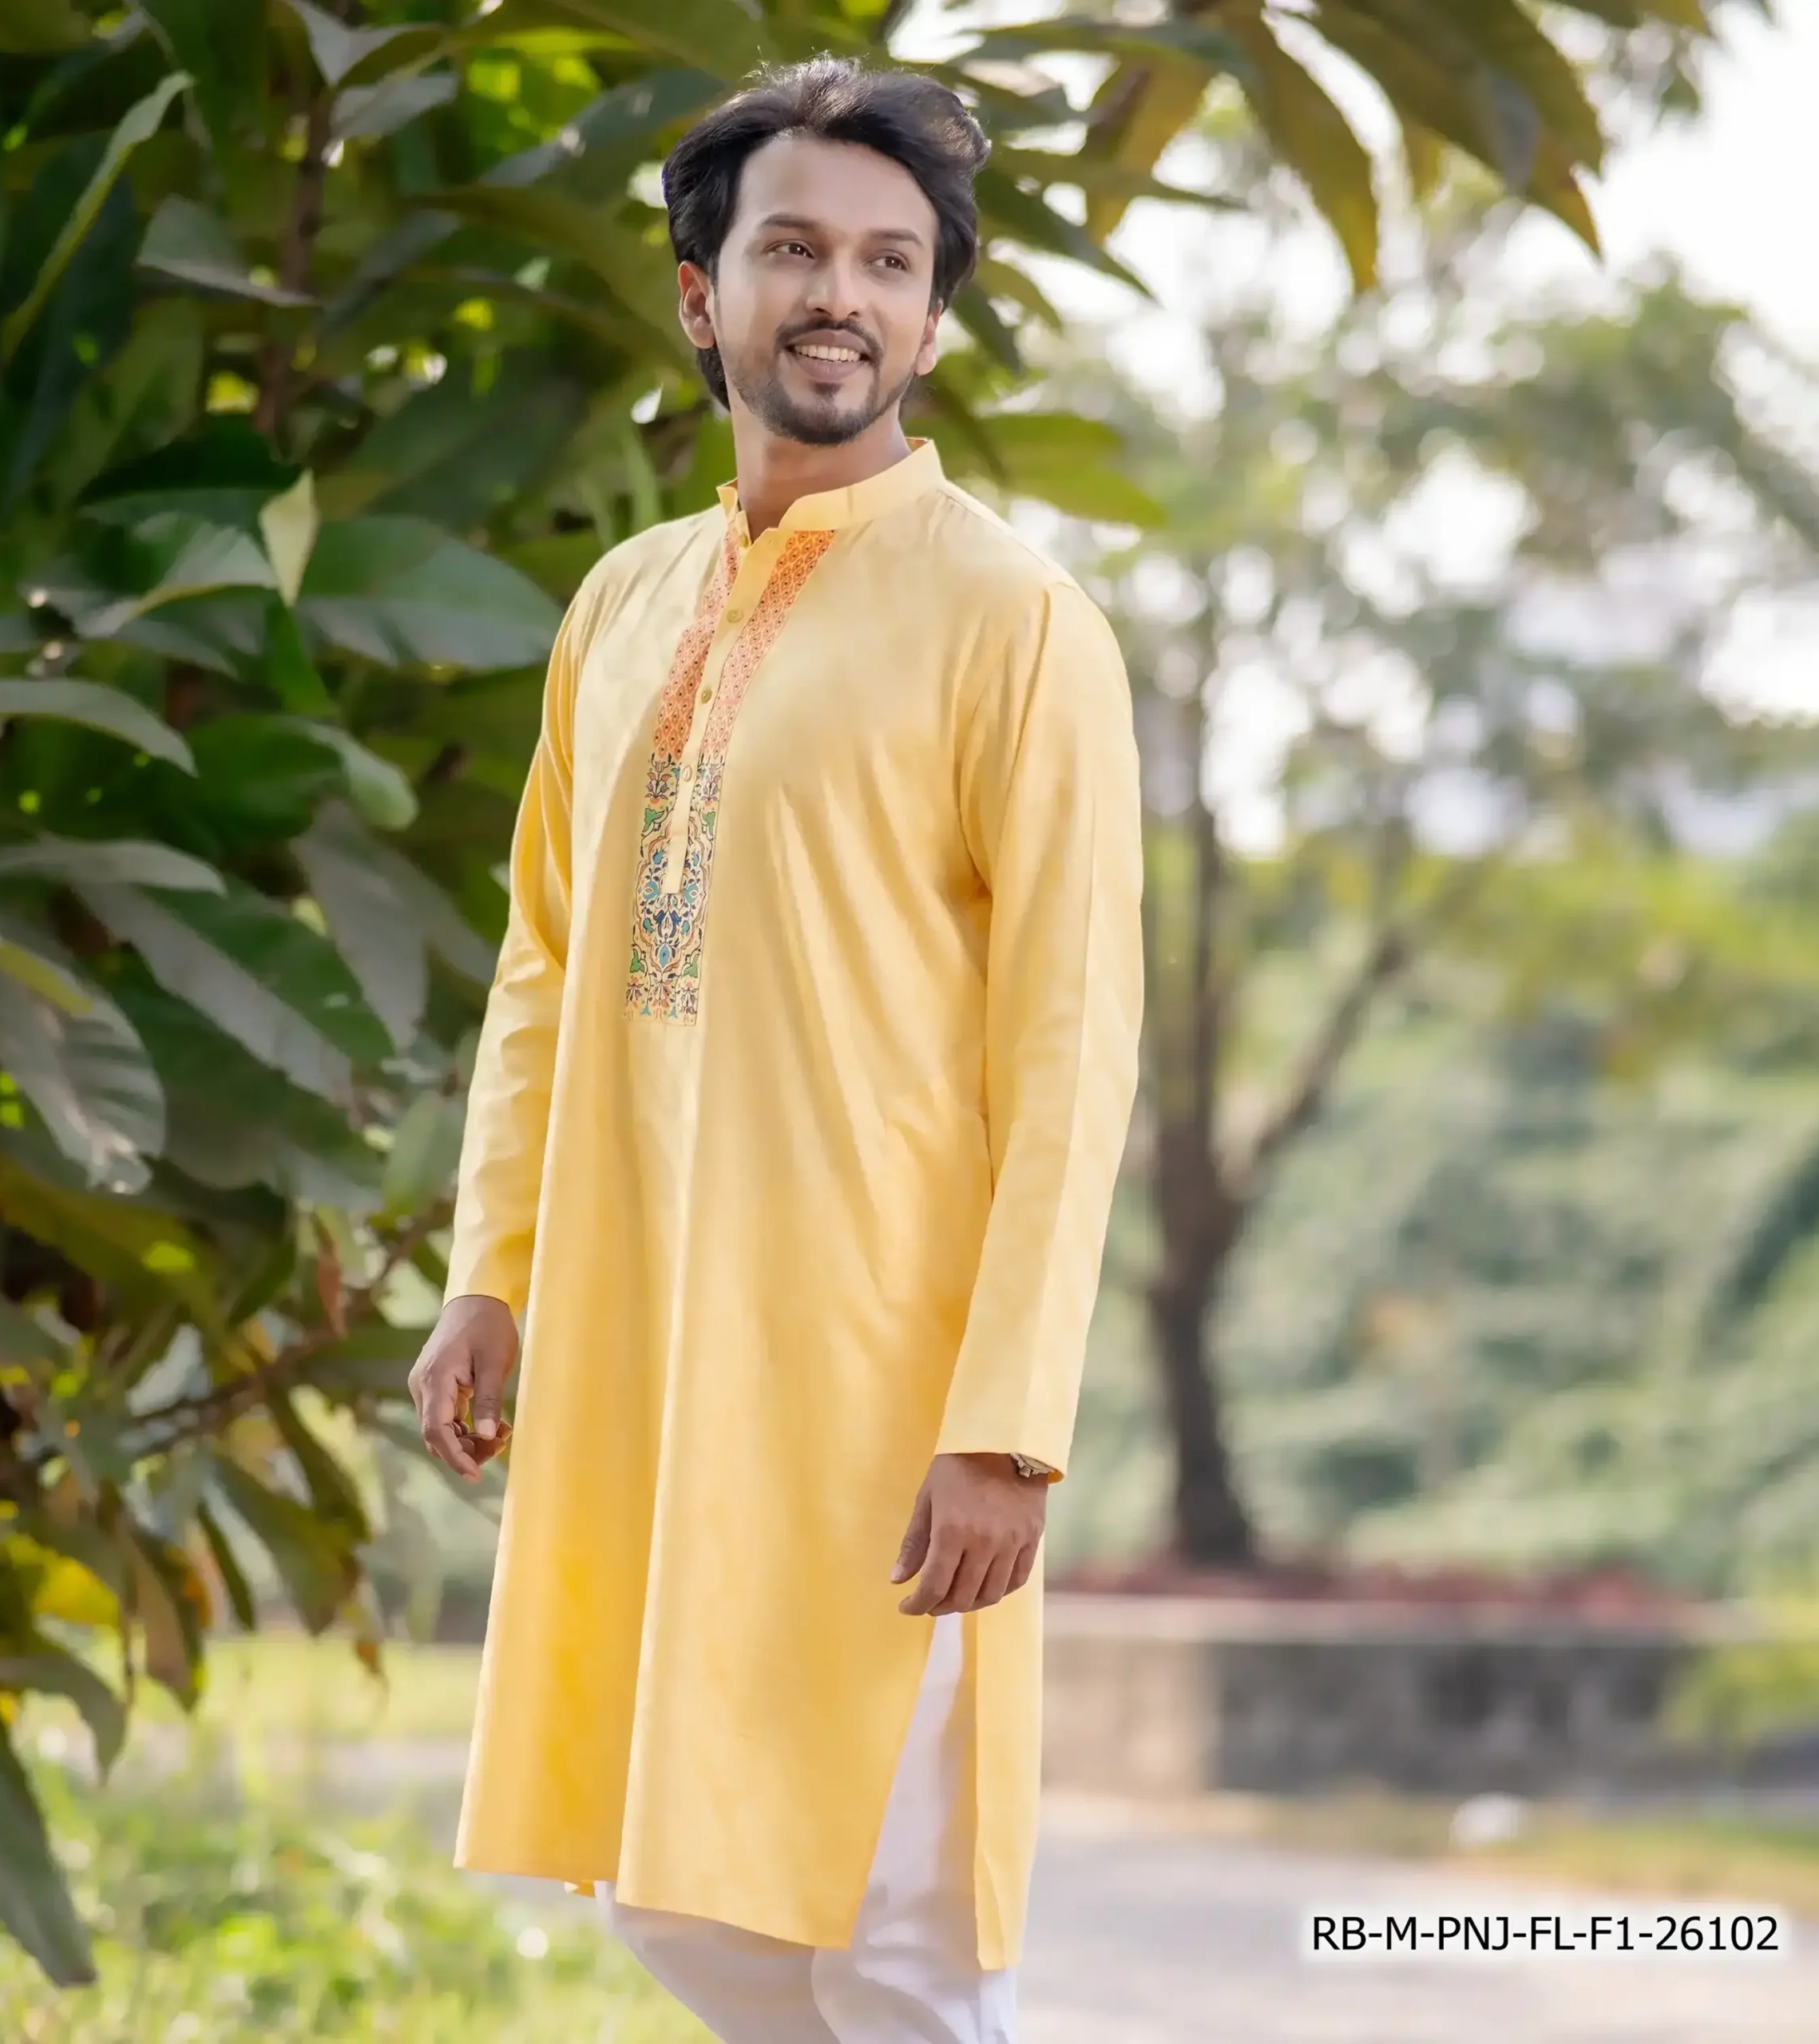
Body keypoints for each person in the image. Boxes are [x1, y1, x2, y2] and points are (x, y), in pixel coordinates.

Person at [408, 53, 1144, 2044]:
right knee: (677, 1879)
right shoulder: (620, 604)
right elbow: (548, 955)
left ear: (931, 320)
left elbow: (1071, 1046)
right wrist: (489, 1270)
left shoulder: (1011, 620)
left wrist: (1007, 1421)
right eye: (795, 249)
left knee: (896, 1943)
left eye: (890, 263)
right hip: (645, 1356)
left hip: (882, 1392)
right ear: (700, 292)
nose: (841, 295)